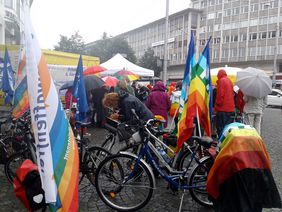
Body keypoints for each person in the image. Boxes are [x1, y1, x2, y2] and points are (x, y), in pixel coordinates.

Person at [214, 69, 235, 138]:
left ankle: (221, 144)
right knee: (227, 128)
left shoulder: (221, 81)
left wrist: (216, 106)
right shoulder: (229, 81)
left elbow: (220, 96)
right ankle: (226, 144)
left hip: (222, 109)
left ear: (219, 75)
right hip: (230, 109)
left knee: (220, 127)